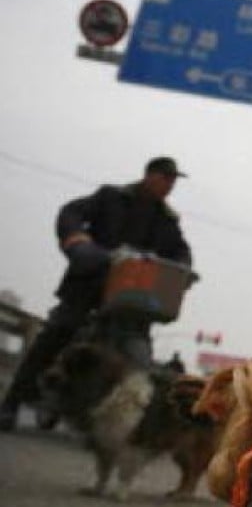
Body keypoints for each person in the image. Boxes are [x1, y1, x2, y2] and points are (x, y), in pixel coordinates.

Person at [0, 157, 192, 431]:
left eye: (173, 180)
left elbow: (180, 250)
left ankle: (122, 425)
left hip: (131, 298)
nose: (170, 185)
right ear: (149, 175)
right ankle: (11, 403)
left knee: (138, 355)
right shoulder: (111, 197)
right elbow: (71, 213)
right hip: (88, 286)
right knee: (57, 332)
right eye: (166, 177)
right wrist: (80, 244)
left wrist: (183, 270)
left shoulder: (167, 219)